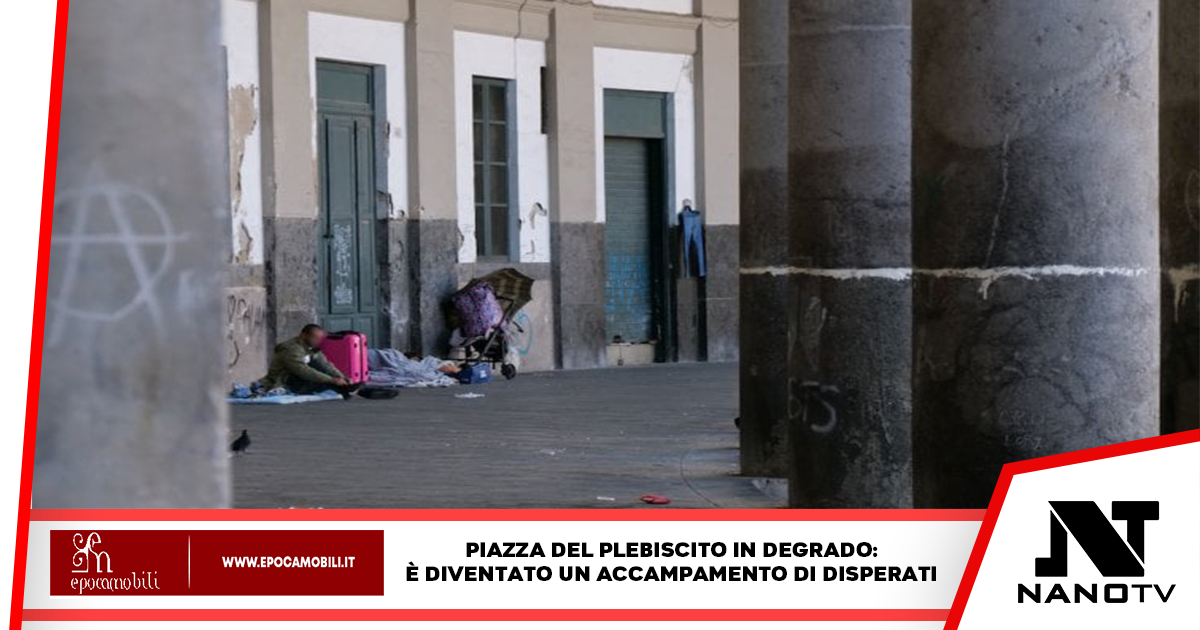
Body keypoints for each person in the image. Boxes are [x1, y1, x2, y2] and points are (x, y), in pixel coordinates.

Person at [259, 324, 359, 397]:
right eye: (315, 338)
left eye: (320, 339)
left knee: (321, 368)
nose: (318, 342)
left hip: (300, 377)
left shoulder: (311, 348)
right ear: (304, 335)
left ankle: (347, 387)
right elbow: (303, 370)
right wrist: (332, 380)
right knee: (325, 382)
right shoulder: (291, 349)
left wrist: (341, 377)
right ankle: (344, 389)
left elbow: (325, 365)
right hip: (286, 379)